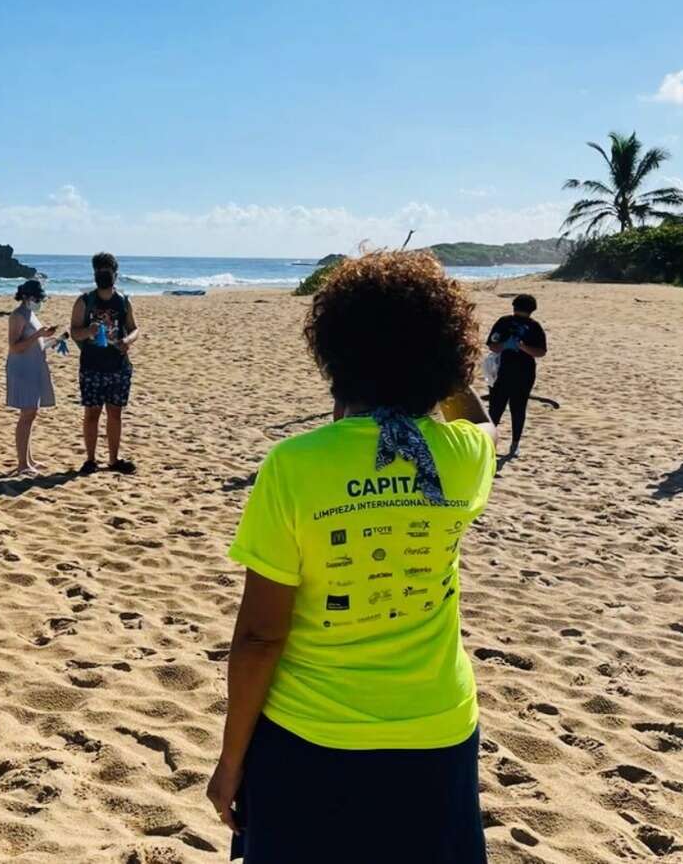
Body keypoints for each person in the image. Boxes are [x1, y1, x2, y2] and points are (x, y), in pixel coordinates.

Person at [206, 249, 497, 864]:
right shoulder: (465, 457)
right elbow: (483, 422)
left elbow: (260, 636)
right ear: (447, 353)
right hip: (436, 726)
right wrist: (448, 374)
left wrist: (231, 761)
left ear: (335, 353)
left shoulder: (296, 465)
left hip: (310, 737)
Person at [69, 252, 140, 475]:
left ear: (115, 274)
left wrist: (127, 340)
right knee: (92, 413)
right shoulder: (85, 301)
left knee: (115, 413)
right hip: (92, 364)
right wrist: (87, 331)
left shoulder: (123, 301)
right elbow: (74, 331)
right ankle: (90, 459)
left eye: (108, 271)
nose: (105, 275)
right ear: (95, 274)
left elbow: (134, 328)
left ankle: (113, 458)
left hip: (118, 364)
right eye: (101, 271)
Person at [5, 279, 61, 475]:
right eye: (38, 299)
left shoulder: (31, 314)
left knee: (31, 413)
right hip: (22, 369)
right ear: (28, 297)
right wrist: (38, 335)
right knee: (27, 413)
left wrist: (50, 340)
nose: (40, 302)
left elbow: (33, 343)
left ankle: (28, 459)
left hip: (34, 366)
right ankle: (22, 464)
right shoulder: (18, 315)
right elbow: (14, 346)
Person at [485, 294, 547, 457]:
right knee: (503, 409)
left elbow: (540, 351)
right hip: (504, 372)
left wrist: (522, 347)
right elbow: (493, 345)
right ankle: (499, 444)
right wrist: (506, 345)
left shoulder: (533, 327)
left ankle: (509, 444)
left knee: (509, 409)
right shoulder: (505, 322)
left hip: (520, 373)